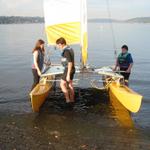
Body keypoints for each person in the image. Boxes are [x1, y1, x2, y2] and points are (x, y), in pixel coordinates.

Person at [56, 37, 75, 107]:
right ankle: (72, 100)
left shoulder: (66, 51)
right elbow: (72, 61)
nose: (58, 47)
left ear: (61, 44)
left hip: (68, 69)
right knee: (70, 85)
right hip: (72, 69)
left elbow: (70, 63)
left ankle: (67, 100)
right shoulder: (70, 48)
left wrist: (68, 75)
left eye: (58, 45)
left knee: (62, 84)